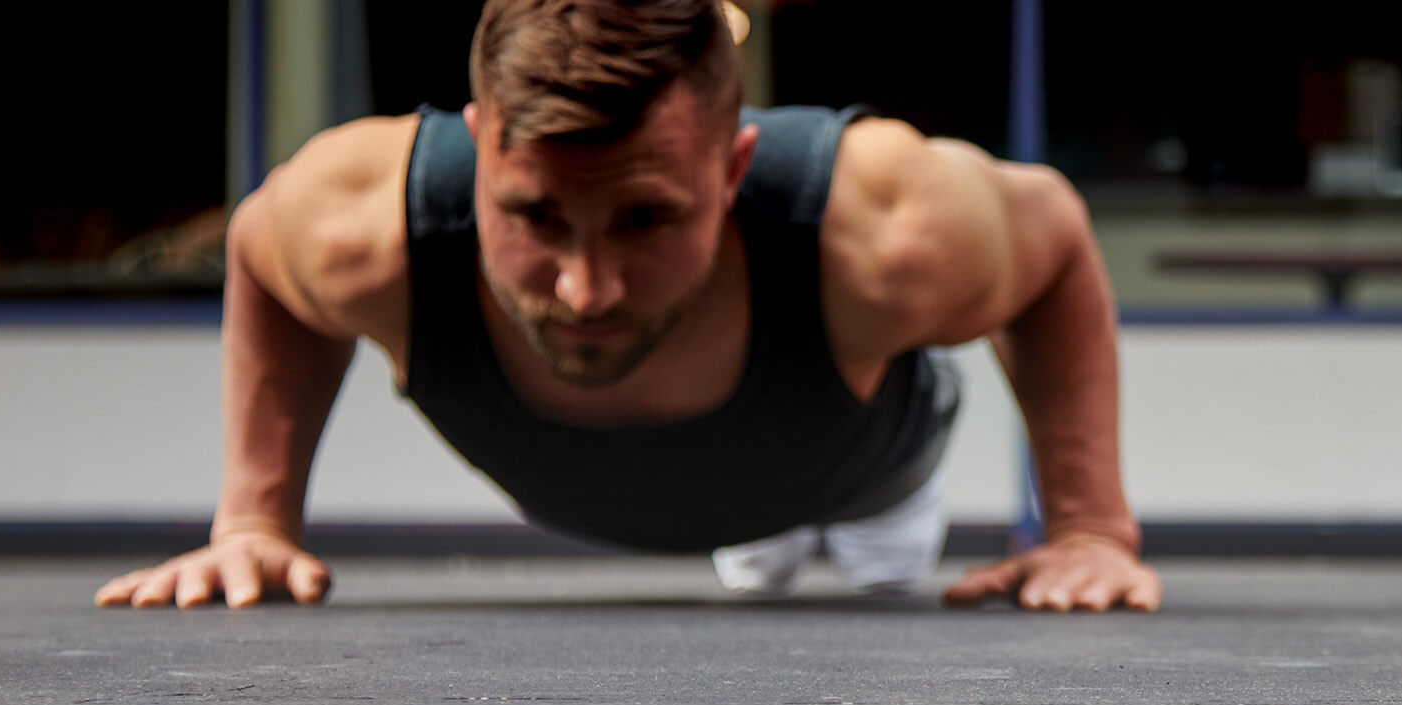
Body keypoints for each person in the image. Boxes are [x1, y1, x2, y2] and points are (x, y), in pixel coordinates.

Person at [95, 0, 1157, 612]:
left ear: (735, 168)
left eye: (645, 221)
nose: (584, 290)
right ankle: (761, 540)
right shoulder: (356, 219)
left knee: (873, 559)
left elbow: (1054, 231)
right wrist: (254, 519)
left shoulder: (887, 227)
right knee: (754, 557)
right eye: (537, 218)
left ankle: (856, 525)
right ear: (479, 148)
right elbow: (257, 250)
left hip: (855, 453)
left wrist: (1089, 529)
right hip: (620, 492)